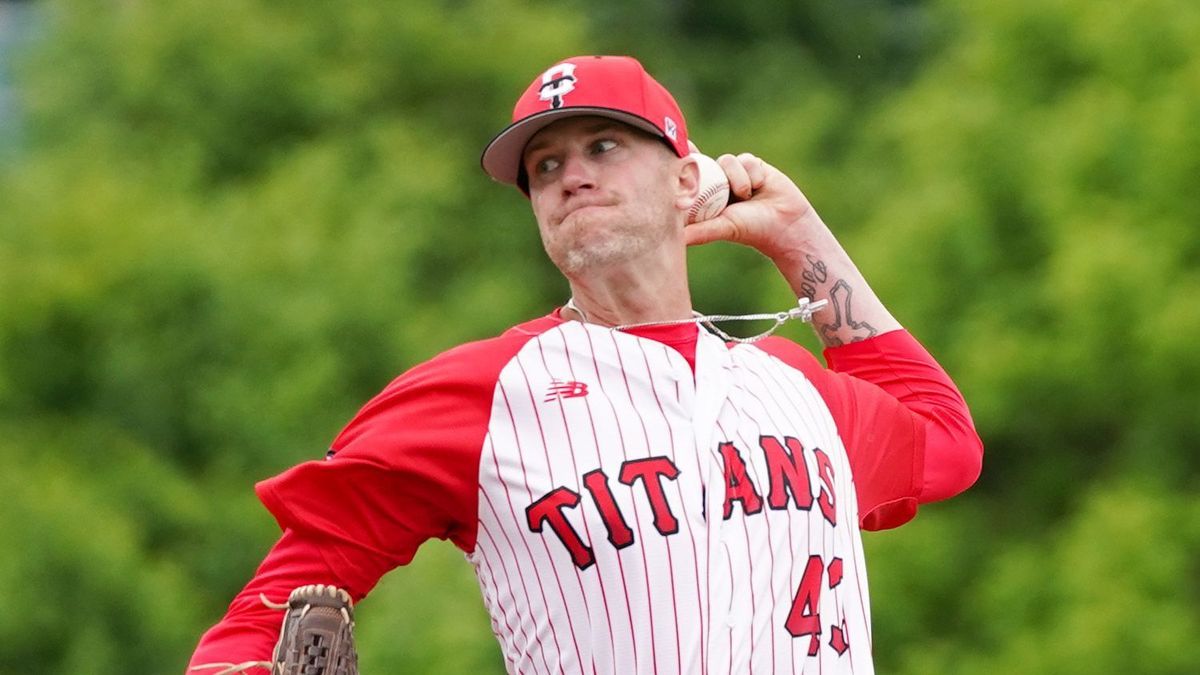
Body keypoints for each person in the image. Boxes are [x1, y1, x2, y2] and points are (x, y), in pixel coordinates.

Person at [187, 54, 982, 674]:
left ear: (685, 180)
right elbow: (270, 610)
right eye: (544, 167)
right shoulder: (483, 393)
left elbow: (948, 443)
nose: (571, 175)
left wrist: (796, 234)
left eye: (603, 145)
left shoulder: (790, 385)